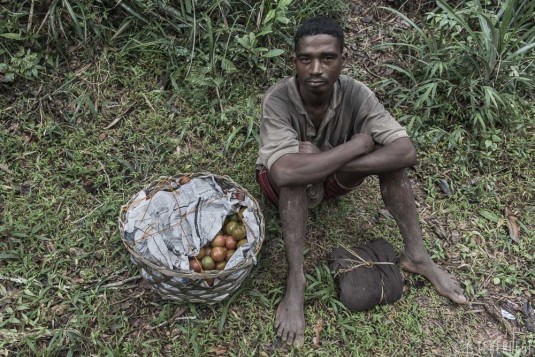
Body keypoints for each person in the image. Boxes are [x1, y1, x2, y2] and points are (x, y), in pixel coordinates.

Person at [255, 16, 467, 348]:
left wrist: (327, 159)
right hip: (282, 189)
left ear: (343, 59)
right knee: (295, 179)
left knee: (393, 165)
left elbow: (405, 151)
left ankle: (417, 256)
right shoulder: (278, 99)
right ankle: (296, 281)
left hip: (330, 177)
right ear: (293, 61)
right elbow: (283, 173)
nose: (316, 69)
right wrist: (355, 145)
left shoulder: (356, 93)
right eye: (305, 59)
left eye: (327, 57)